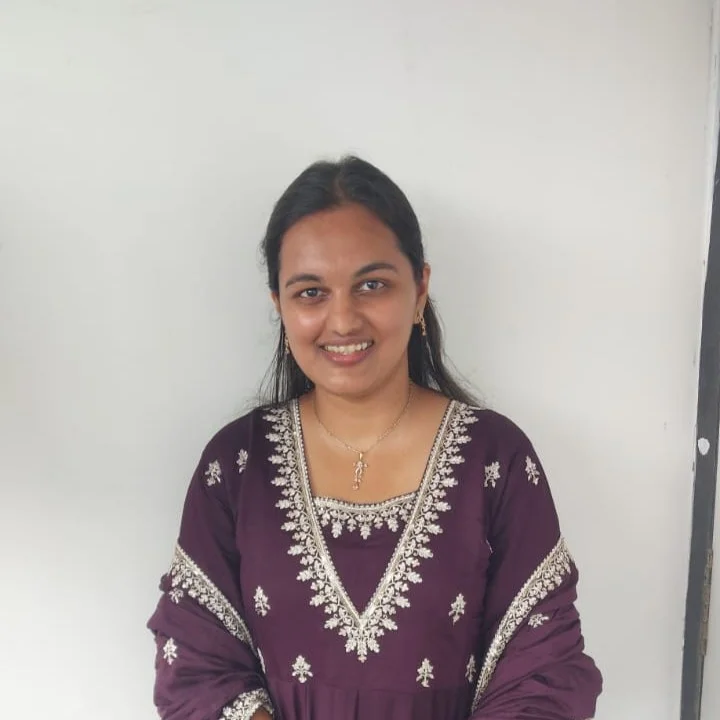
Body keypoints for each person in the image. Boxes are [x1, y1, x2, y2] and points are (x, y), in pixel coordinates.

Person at [147, 156, 603, 720]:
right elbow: (194, 664)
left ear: (420, 289)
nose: (343, 321)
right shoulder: (237, 466)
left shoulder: (495, 460)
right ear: (279, 307)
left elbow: (543, 671)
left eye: (371, 285)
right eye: (310, 292)